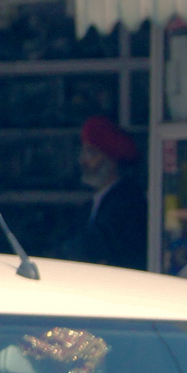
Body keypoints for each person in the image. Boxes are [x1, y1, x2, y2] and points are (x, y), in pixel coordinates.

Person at [63, 115, 148, 271]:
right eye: (83, 152)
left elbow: (91, 247)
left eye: (91, 153)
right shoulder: (90, 205)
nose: (82, 160)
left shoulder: (127, 202)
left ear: (111, 160)